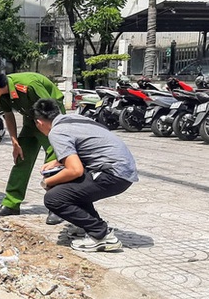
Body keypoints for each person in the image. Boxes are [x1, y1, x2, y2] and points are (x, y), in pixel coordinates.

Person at [33, 98, 139, 252]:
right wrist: (58, 162)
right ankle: (86, 226)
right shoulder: (73, 118)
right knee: (70, 188)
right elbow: (87, 146)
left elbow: (75, 170)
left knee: (54, 197)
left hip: (113, 174)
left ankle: (101, 235)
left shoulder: (56, 132)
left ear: (39, 123)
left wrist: (47, 182)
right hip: (123, 170)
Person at [0, 69, 65, 224]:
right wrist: (14, 141)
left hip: (51, 120)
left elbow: (50, 109)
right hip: (32, 120)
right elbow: (9, 115)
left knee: (54, 164)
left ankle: (57, 207)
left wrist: (56, 137)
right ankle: (11, 204)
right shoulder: (4, 93)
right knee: (21, 159)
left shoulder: (29, 85)